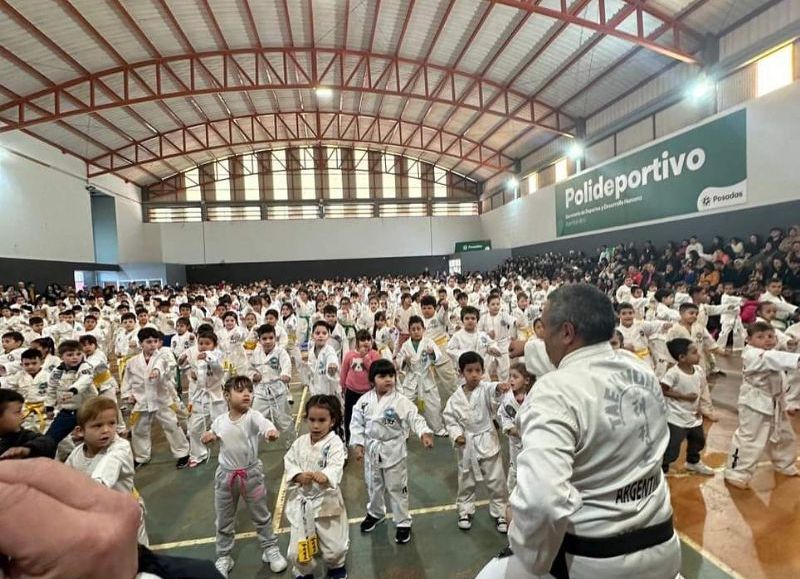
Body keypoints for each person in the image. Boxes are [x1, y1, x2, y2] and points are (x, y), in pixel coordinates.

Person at [480, 284, 680, 579]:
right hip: (664, 548)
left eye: (544, 330)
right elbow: (573, 363)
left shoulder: (553, 393)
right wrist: (527, 346)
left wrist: (523, 540)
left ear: (567, 332)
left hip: (595, 561)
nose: (540, 337)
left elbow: (542, 503)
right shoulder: (640, 369)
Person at [200, 375, 287, 578]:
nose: (247, 394)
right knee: (223, 519)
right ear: (227, 396)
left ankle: (270, 549)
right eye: (240, 390)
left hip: (251, 476)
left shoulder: (252, 416)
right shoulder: (220, 421)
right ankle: (223, 556)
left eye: (249, 390)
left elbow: (265, 424)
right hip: (225, 479)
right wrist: (208, 437)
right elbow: (212, 435)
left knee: (261, 515)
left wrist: (271, 431)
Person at [350, 358, 434, 544]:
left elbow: (414, 417)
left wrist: (424, 433)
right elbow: (356, 424)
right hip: (373, 450)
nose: (388, 379)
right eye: (382, 376)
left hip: (393, 449)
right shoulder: (364, 401)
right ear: (372, 380)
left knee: (397, 487)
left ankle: (403, 521)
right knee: (373, 484)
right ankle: (375, 512)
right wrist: (358, 444)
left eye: (391, 375)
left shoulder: (400, 401)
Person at [724, 321, 800, 489]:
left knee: (784, 435)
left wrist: (788, 341)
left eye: (770, 336)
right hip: (754, 403)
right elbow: (774, 358)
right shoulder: (752, 355)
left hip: (775, 402)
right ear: (748, 339)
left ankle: (784, 464)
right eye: (760, 337)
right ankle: (736, 473)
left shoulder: (770, 349)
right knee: (750, 439)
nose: (767, 340)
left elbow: (779, 339)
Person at [65, 397, 149, 545]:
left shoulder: (120, 447)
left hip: (126, 512)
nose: (106, 430)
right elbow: (63, 480)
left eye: (112, 423)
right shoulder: (76, 454)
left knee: (139, 557)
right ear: (80, 431)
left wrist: (93, 488)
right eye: (97, 426)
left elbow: (108, 469)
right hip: (98, 517)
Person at [443, 351, 510, 534]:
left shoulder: (486, 388)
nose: (474, 374)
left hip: (487, 439)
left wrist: (499, 387)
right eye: (470, 370)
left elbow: (493, 390)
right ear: (461, 373)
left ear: (482, 371)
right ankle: (465, 510)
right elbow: (449, 419)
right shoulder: (455, 398)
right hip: (467, 443)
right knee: (466, 480)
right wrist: (456, 435)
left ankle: (500, 512)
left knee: (496, 479)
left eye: (478, 370)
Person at [284, 394, 349, 579]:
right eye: (312, 420)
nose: (316, 425)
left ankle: (336, 568)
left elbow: (337, 464)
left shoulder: (335, 443)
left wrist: (326, 475)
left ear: (332, 421)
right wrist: (297, 474)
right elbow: (289, 460)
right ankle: (304, 572)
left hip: (327, 501)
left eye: (322, 420)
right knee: (297, 551)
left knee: (335, 545)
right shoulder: (300, 442)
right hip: (303, 502)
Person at [122, 327, 190, 469]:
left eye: (154, 341)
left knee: (172, 426)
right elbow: (127, 381)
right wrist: (127, 395)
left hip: (161, 399)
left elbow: (162, 366)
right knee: (138, 429)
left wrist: (156, 371)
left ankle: (183, 453)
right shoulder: (132, 362)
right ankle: (141, 456)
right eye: (148, 341)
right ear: (141, 343)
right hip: (142, 400)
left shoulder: (163, 356)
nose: (152, 344)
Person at [660, 339, 714, 476]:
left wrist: (701, 408)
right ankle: (662, 469)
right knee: (673, 445)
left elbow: (701, 390)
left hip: (693, 416)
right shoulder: (674, 373)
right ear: (682, 358)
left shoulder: (699, 371)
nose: (699, 355)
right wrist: (683, 397)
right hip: (676, 417)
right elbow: (662, 390)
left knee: (698, 440)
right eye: (694, 352)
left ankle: (693, 462)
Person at [395, 315, 448, 436]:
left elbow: (438, 356)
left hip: (426, 377)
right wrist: (404, 361)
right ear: (409, 331)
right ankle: (404, 432)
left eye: (418, 328)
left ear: (423, 329)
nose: (416, 331)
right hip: (411, 379)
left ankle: (437, 428)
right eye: (413, 329)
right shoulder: (405, 345)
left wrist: (432, 353)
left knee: (433, 404)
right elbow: (398, 362)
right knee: (405, 404)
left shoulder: (429, 342)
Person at [185, 331, 226, 468]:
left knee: (223, 427)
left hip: (217, 397)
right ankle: (197, 454)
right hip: (201, 397)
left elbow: (219, 370)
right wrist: (193, 376)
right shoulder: (197, 358)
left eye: (207, 344)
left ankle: (229, 452)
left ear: (214, 345)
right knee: (194, 428)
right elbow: (196, 378)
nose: (203, 346)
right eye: (201, 343)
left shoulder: (218, 355)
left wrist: (208, 357)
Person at [45, 339, 98, 444]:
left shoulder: (86, 367)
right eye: (70, 355)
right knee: (50, 439)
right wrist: (49, 407)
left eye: (78, 354)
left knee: (97, 438)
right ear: (61, 357)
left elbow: (85, 380)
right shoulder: (57, 372)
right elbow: (51, 389)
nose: (75, 357)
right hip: (68, 411)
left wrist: (72, 391)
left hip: (88, 410)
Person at [247, 323, 295, 441]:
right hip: (261, 393)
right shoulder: (255, 353)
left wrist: (285, 375)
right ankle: (251, 447)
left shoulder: (281, 352)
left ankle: (293, 442)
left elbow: (286, 368)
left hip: (278, 392)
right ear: (259, 340)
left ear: (275, 338)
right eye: (264, 339)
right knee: (254, 420)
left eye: (271, 338)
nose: (268, 341)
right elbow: (249, 369)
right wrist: (253, 376)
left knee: (285, 421)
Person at [498, 362, 534, 493]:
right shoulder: (507, 399)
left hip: (532, 441)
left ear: (526, 380)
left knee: (532, 470)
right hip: (515, 442)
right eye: (510, 376)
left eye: (515, 376)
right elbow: (502, 415)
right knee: (515, 470)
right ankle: (512, 500)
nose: (511, 379)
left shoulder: (533, 398)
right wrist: (509, 428)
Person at [340, 329, 380, 444]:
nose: (366, 342)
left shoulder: (374, 354)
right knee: (349, 416)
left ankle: (369, 438)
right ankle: (348, 439)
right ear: (357, 342)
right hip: (352, 391)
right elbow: (344, 371)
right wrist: (342, 386)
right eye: (363, 340)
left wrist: (366, 357)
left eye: (368, 339)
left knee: (369, 416)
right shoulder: (350, 355)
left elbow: (375, 371)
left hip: (368, 392)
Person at [0, 388, 56, 459]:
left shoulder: (23, 437)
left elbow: (48, 443)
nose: (23, 415)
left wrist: (27, 449)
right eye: (18, 412)